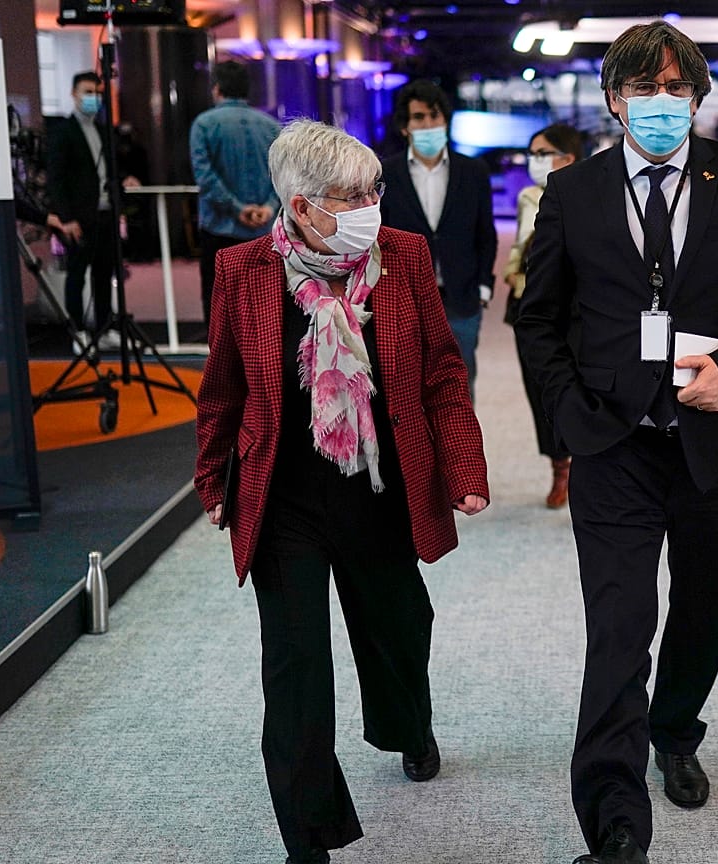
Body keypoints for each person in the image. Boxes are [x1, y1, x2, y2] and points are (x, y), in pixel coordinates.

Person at [515, 22, 718, 864]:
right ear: (613, 99)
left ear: (698, 97)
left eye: (676, 88)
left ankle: (676, 728)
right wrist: (571, 414)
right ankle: (617, 825)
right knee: (617, 626)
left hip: (716, 443)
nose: (660, 103)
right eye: (642, 89)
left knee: (702, 603)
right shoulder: (572, 191)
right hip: (613, 445)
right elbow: (537, 318)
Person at [193, 120, 489, 864]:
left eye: (372, 191)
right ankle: (309, 840)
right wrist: (212, 477)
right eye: (347, 196)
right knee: (295, 669)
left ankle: (409, 727)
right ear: (299, 207)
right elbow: (224, 385)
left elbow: (442, 375)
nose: (368, 206)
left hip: (380, 488)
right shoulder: (243, 269)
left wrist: (465, 467)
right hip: (284, 493)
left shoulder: (405, 257)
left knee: (398, 633)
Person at [379, 80, 497, 396]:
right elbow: (378, 236)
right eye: (418, 118)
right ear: (405, 127)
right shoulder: (384, 174)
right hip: (405, 295)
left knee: (458, 382)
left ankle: (458, 446)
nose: (428, 124)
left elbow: (486, 233)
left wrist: (484, 285)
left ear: (445, 119)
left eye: (434, 116)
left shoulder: (473, 171)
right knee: (406, 383)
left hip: (461, 296)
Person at [504, 123, 582, 508]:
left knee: (578, 384)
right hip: (526, 303)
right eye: (532, 154)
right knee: (540, 389)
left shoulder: (588, 195)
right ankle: (559, 468)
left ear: (567, 158)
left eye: (543, 153)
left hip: (573, 306)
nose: (535, 161)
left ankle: (586, 463)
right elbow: (519, 245)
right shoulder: (527, 197)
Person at [46, 71, 140, 347]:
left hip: (105, 213)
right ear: (74, 94)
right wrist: (65, 218)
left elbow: (109, 170)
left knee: (104, 274)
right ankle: (78, 331)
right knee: (77, 275)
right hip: (78, 216)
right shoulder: (63, 132)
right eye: (87, 92)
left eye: (97, 93)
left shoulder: (103, 130)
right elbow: (56, 179)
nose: (93, 98)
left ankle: (103, 328)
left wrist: (123, 181)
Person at [190, 60, 282, 331]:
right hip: (265, 228)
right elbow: (282, 174)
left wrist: (237, 208)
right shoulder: (271, 125)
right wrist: (268, 206)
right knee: (264, 302)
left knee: (218, 302)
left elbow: (205, 177)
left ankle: (221, 361)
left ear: (216, 89)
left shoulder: (203, 124)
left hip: (219, 227)